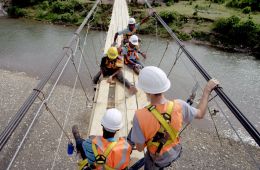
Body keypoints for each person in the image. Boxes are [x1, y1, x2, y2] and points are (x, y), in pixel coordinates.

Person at [129, 66, 220, 169]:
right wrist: (207, 90)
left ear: (146, 90)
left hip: (157, 160)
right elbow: (200, 114)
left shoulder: (139, 116)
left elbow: (140, 148)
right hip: (175, 152)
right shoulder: (180, 105)